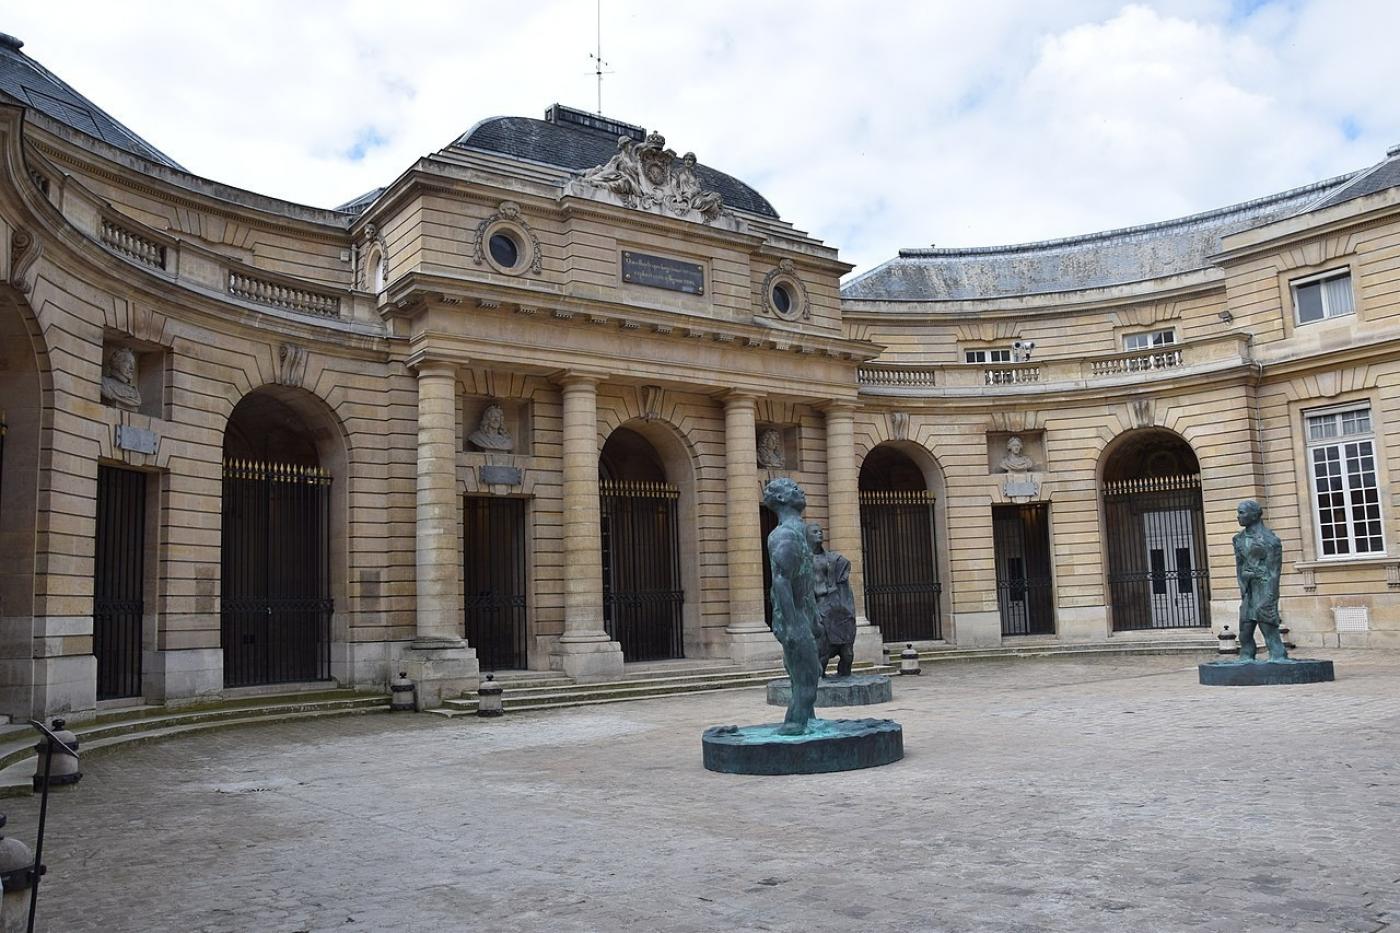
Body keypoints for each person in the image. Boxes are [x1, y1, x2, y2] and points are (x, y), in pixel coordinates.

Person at [763, 478, 822, 735]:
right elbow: (781, 581)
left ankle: (807, 719)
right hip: (793, 618)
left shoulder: (798, 531)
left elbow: (804, 581)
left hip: (802, 615)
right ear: (782, 499)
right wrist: (792, 625)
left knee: (807, 671)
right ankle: (794, 727)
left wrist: (814, 617)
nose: (802, 489)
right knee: (807, 676)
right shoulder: (786, 534)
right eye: (794, 488)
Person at [1234, 499, 1288, 661]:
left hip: (1264, 588)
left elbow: (1274, 572)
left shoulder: (1270, 540)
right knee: (1245, 629)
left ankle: (1278, 656)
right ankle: (1246, 657)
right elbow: (1240, 565)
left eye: (1242, 513)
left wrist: (1270, 597)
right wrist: (1243, 585)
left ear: (1255, 515)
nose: (1238, 517)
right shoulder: (1238, 539)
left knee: (1268, 629)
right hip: (1249, 589)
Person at [808, 522, 856, 678]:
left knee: (847, 653)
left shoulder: (832, 558)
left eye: (821, 531)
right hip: (819, 608)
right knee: (823, 652)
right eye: (815, 532)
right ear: (806, 536)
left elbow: (844, 568)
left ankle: (845, 677)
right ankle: (818, 681)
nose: (820, 534)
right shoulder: (802, 561)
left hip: (837, 608)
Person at [100, 346, 142, 410]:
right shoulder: (105, 383)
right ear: (117, 363)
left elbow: (137, 402)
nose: (132, 368)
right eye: (128, 362)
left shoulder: (134, 392)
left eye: (133, 363)